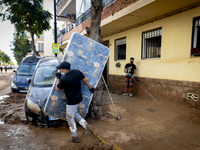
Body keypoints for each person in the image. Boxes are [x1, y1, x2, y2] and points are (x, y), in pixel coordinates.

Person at [55, 62, 95, 143]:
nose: (60, 70)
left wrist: (58, 78)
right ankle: (85, 125)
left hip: (71, 101)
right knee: (74, 113)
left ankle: (75, 136)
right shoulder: (77, 72)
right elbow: (85, 80)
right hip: (79, 98)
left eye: (61, 69)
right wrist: (90, 88)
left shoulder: (64, 79)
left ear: (65, 69)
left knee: (69, 118)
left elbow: (57, 88)